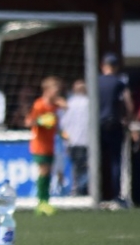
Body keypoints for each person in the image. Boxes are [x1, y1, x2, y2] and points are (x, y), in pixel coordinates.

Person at [24, 76, 66, 215]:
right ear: (47, 90)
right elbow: (28, 122)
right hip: (39, 145)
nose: (57, 93)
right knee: (43, 171)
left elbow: (62, 113)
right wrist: (41, 121)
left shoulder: (54, 106)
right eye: (55, 90)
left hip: (50, 144)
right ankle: (42, 202)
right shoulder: (39, 105)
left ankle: (45, 201)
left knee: (48, 173)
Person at [97, 53, 133, 207]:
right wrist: (127, 120)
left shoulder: (96, 82)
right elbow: (129, 103)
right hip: (114, 124)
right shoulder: (119, 82)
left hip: (98, 126)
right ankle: (116, 196)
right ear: (116, 67)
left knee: (96, 160)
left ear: (102, 66)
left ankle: (95, 194)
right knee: (115, 161)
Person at [59, 79, 90, 196]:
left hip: (72, 141)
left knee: (76, 168)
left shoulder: (69, 103)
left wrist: (66, 139)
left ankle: (76, 191)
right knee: (84, 168)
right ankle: (81, 192)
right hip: (86, 141)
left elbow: (63, 124)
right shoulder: (90, 103)